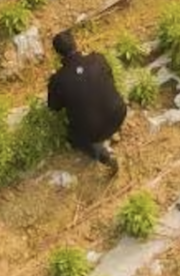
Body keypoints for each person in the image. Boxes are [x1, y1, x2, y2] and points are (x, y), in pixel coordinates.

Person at [47, 30, 126, 173]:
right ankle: (115, 131)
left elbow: (54, 107)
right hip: (119, 113)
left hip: (93, 130)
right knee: (104, 101)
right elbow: (110, 80)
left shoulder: (58, 79)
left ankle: (105, 157)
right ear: (76, 43)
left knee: (72, 136)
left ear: (57, 54)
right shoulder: (98, 59)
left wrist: (54, 83)